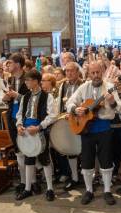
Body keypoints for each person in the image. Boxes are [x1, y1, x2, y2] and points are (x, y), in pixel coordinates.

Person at [66, 61, 121, 205]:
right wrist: (75, 110)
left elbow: (119, 108)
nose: (96, 75)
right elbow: (70, 102)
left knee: (106, 160)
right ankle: (89, 190)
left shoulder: (110, 88)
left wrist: (112, 101)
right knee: (87, 161)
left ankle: (107, 191)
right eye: (93, 73)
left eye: (98, 72)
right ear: (88, 74)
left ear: (102, 71)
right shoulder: (83, 87)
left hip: (104, 129)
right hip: (87, 129)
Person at [15, 70, 58, 201]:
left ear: (35, 81)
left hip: (40, 131)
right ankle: (28, 189)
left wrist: (39, 127)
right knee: (29, 160)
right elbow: (20, 114)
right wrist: (19, 125)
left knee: (45, 160)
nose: (26, 82)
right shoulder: (25, 97)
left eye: (28, 80)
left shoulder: (47, 96)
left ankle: (50, 189)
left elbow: (53, 115)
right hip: (26, 131)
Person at [2, 53, 31, 196]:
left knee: (27, 150)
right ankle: (23, 182)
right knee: (18, 150)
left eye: (10, 63)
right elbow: (9, 98)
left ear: (18, 65)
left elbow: (32, 100)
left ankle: (30, 183)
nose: (8, 66)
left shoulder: (28, 78)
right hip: (12, 117)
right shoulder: (10, 79)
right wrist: (6, 97)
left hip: (24, 119)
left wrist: (17, 96)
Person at [56, 62, 84, 190]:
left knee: (84, 149)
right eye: (66, 71)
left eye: (71, 71)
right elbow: (61, 103)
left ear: (78, 72)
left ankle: (89, 176)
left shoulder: (83, 84)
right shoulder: (63, 85)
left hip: (82, 120)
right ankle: (74, 178)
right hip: (68, 120)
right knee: (71, 150)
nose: (69, 73)